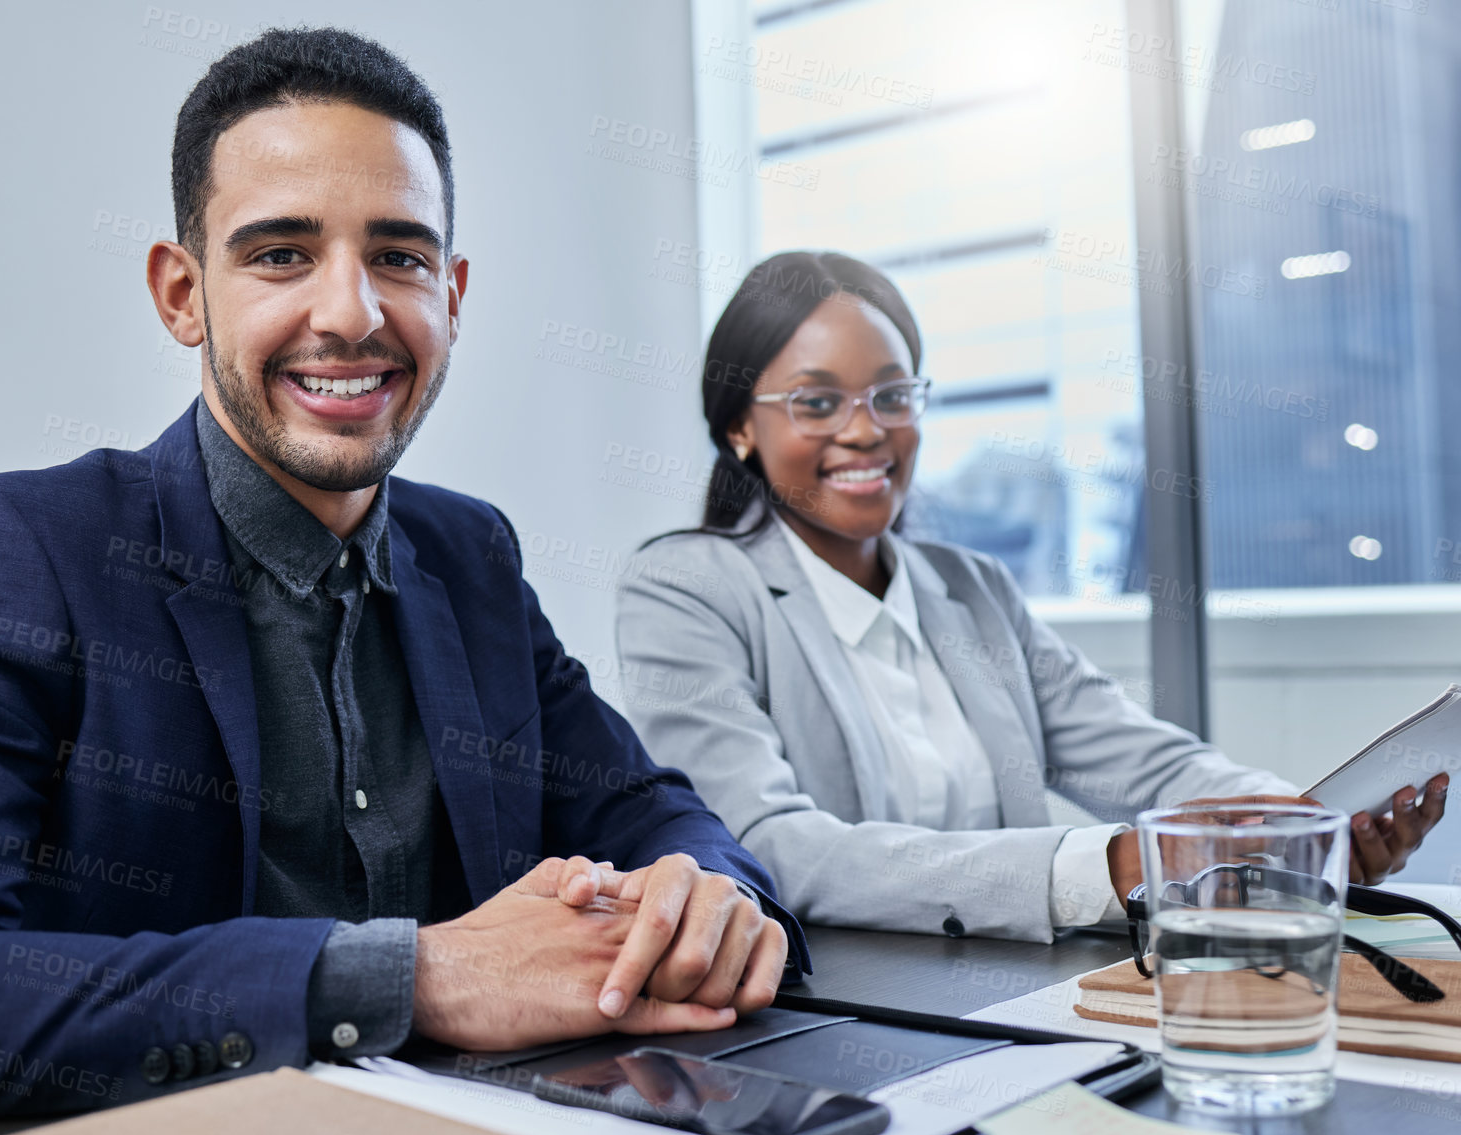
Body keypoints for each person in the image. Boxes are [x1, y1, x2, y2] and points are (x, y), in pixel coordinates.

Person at [0, 29, 803, 1135]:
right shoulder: (24, 546)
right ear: (181, 294)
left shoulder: (470, 556)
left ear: (453, 293)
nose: (350, 313)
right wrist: (417, 975)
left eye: (398, 257)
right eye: (282, 254)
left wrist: (710, 891)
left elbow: (646, 809)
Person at [614, 250, 1446, 945]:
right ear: (740, 429)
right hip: (837, 1010)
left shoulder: (970, 589)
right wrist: (1113, 865)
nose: (866, 430)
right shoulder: (687, 588)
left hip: (1026, 990)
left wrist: (1291, 824)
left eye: (893, 395)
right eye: (817, 402)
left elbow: (1146, 762)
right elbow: (765, 846)